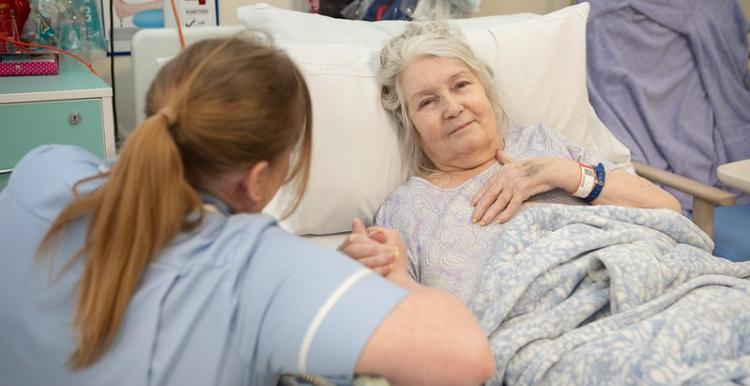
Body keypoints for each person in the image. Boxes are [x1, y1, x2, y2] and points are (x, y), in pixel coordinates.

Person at [0, 34, 494, 386]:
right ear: (257, 181)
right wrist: (374, 277)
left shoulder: (42, 170)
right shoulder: (258, 268)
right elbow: (463, 357)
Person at [340, 22, 681, 304]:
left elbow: (668, 209)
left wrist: (558, 172)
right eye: (428, 102)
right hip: (547, 334)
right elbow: (405, 319)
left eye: (461, 85)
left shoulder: (542, 143)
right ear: (409, 122)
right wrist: (358, 273)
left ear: (486, 90)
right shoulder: (404, 212)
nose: (453, 107)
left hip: (655, 285)